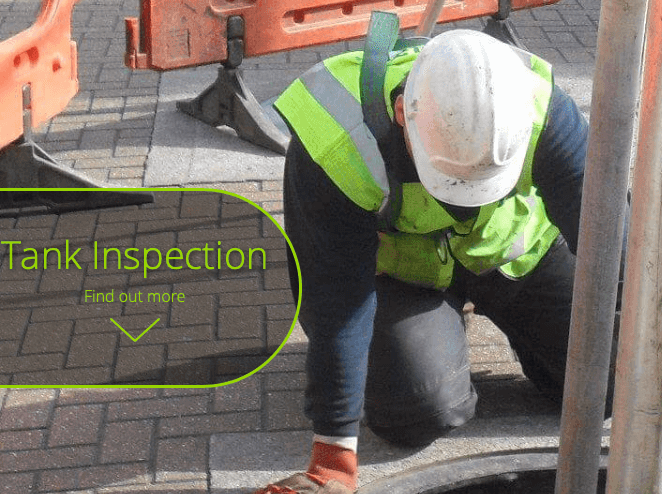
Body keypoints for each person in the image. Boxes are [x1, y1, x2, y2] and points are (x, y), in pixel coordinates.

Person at [253, 28, 590, 494]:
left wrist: (654, 340)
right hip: (403, 278)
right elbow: (336, 300)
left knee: (605, 383)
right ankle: (433, 332)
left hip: (512, 252)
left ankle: (500, 331)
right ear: (399, 115)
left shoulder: (539, 106)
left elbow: (610, 237)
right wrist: (332, 456)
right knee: (416, 410)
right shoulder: (333, 138)